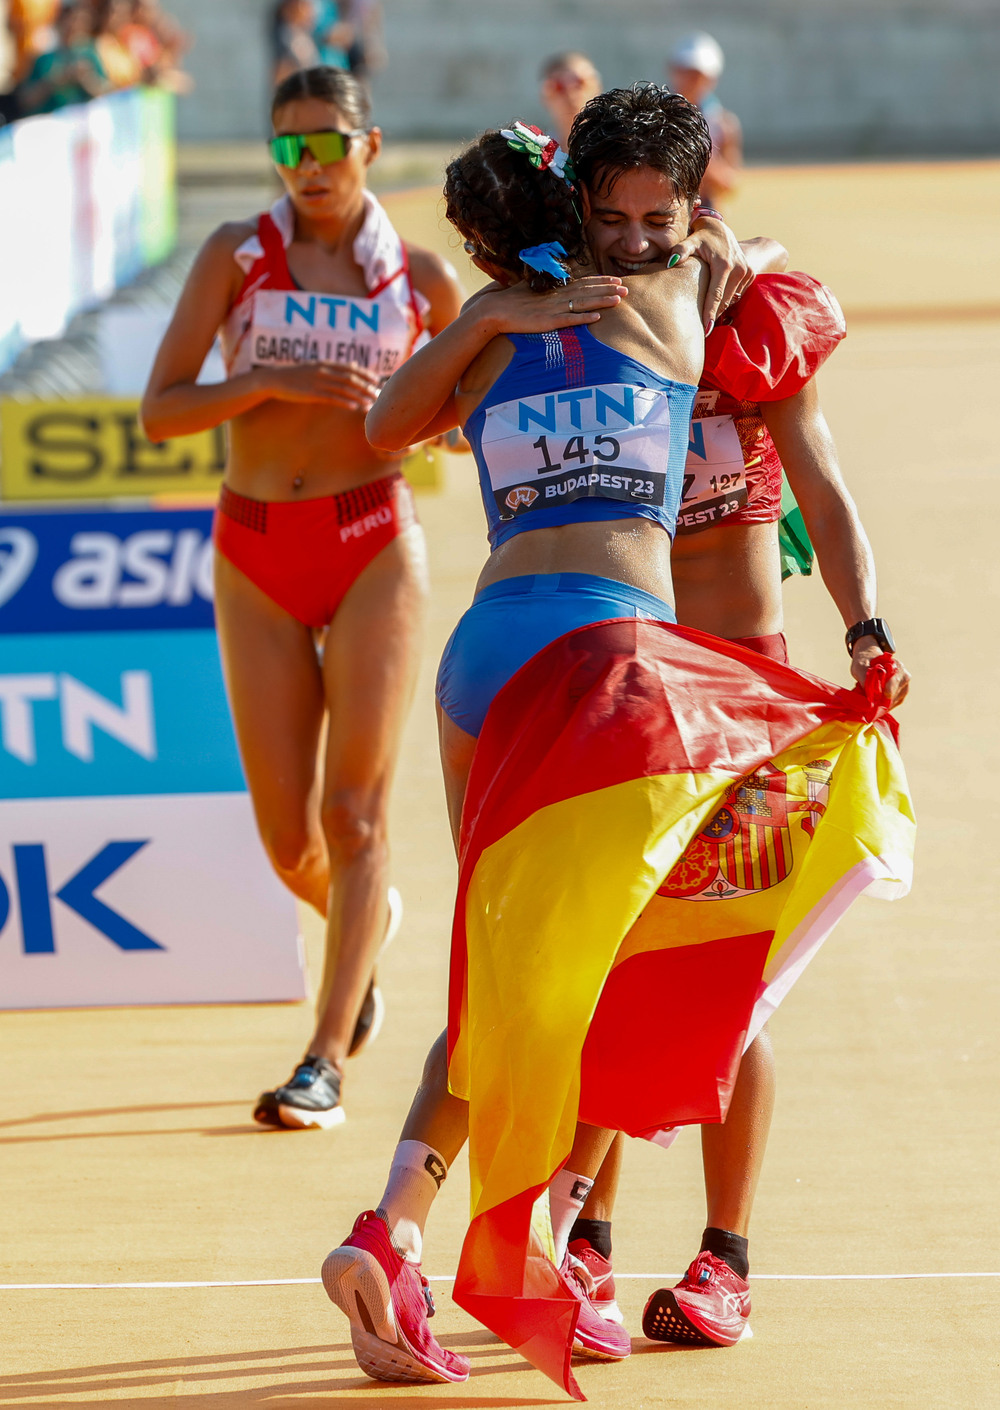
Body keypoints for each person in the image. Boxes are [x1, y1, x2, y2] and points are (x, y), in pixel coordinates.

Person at [321, 87, 912, 1395]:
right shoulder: (691, 293)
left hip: (549, 669)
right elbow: (797, 419)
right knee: (636, 971)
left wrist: (487, 307)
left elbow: (380, 428)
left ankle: (433, 1229)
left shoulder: (527, 319)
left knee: (546, 968)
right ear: (582, 206)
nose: (645, 235)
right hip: (634, 678)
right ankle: (552, 1244)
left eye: (666, 214)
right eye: (620, 212)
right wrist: (867, 636)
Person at [141, 66, 463, 1130]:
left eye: (327, 143)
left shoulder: (418, 277)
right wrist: (267, 384)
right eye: (288, 147)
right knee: (291, 846)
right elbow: (162, 411)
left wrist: (441, 419)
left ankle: (324, 1056)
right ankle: (359, 938)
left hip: (372, 538)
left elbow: (468, 422)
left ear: (370, 146)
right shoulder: (238, 254)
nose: (308, 165)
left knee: (354, 811)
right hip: (254, 550)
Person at [667, 31, 742, 210]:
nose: (692, 80)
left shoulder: (724, 123)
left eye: (698, 74)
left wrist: (701, 162)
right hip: (665, 211)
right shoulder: (654, 115)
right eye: (686, 71)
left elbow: (730, 183)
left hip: (705, 213)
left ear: (712, 78)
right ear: (673, 71)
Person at [17, 0, 106, 114]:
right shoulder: (45, 57)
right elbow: (25, 100)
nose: (74, 26)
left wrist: (86, 79)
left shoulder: (90, 55)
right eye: (71, 20)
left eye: (81, 22)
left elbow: (107, 94)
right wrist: (54, 81)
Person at [538, 49, 601, 148]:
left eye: (580, 82)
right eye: (559, 86)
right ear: (545, 96)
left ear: (597, 86)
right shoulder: (535, 154)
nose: (571, 94)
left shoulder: (619, 143)